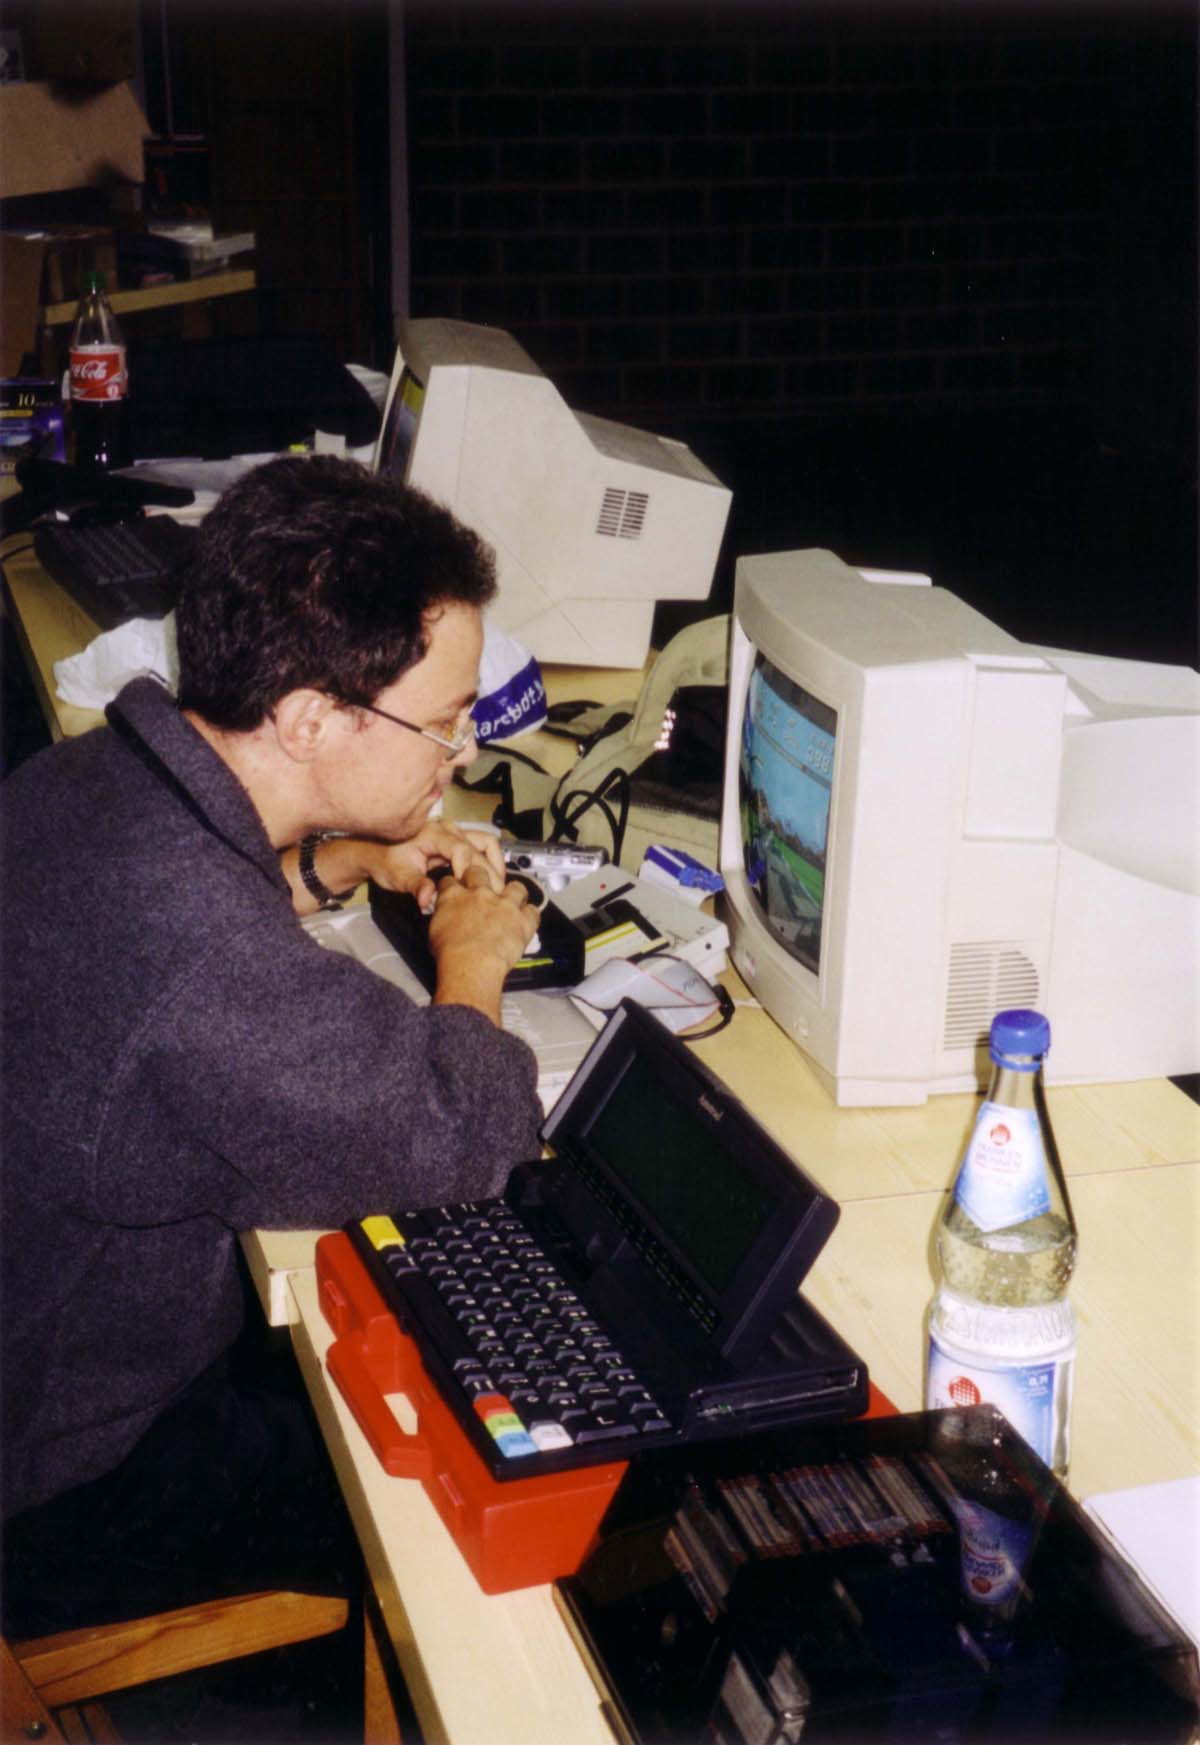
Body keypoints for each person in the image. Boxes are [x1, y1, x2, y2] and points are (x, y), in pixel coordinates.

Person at [0, 456, 543, 1659]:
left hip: (31, 1338)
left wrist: (330, 862)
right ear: (307, 719)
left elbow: (184, 921)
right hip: (62, 1477)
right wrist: (473, 957)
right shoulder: (201, 950)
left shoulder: (91, 772)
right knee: (445, 1479)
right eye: (442, 721)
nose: (459, 752)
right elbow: (466, 1139)